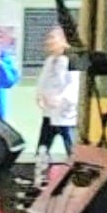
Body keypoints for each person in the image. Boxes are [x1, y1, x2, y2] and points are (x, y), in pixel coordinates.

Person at [35, 26, 79, 157]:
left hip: (66, 115)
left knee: (71, 151)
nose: (48, 42)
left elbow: (74, 85)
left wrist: (61, 99)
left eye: (52, 38)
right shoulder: (49, 61)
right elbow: (43, 81)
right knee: (42, 150)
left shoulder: (72, 60)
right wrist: (40, 96)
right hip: (49, 113)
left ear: (63, 40)